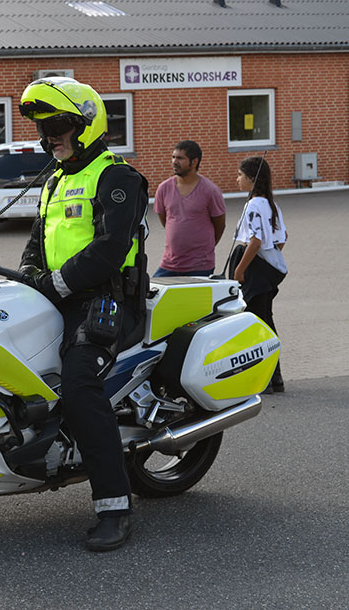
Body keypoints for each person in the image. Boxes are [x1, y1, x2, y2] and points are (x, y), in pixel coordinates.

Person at [15, 77, 149, 552]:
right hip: (60, 298)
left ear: (85, 126)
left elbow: (111, 248)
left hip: (106, 301)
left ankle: (114, 506)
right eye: (43, 128)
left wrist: (53, 284)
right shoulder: (56, 180)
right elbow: (35, 244)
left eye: (56, 126)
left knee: (78, 384)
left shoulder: (118, 177)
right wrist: (28, 275)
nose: (47, 136)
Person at [230, 156, 288, 394]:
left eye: (240, 175)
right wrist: (270, 257)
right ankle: (275, 379)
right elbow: (282, 237)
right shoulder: (270, 203)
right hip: (267, 272)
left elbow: (256, 240)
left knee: (255, 325)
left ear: (252, 180)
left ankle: (263, 379)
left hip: (253, 270)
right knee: (266, 321)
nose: (237, 180)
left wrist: (240, 268)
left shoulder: (254, 204)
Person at [153, 140, 227, 277]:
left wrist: (205, 247)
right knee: (153, 296)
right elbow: (166, 221)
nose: (174, 161)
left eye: (180, 158)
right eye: (173, 157)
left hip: (200, 266)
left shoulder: (210, 190)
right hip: (169, 264)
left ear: (194, 162)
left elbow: (220, 225)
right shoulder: (164, 188)